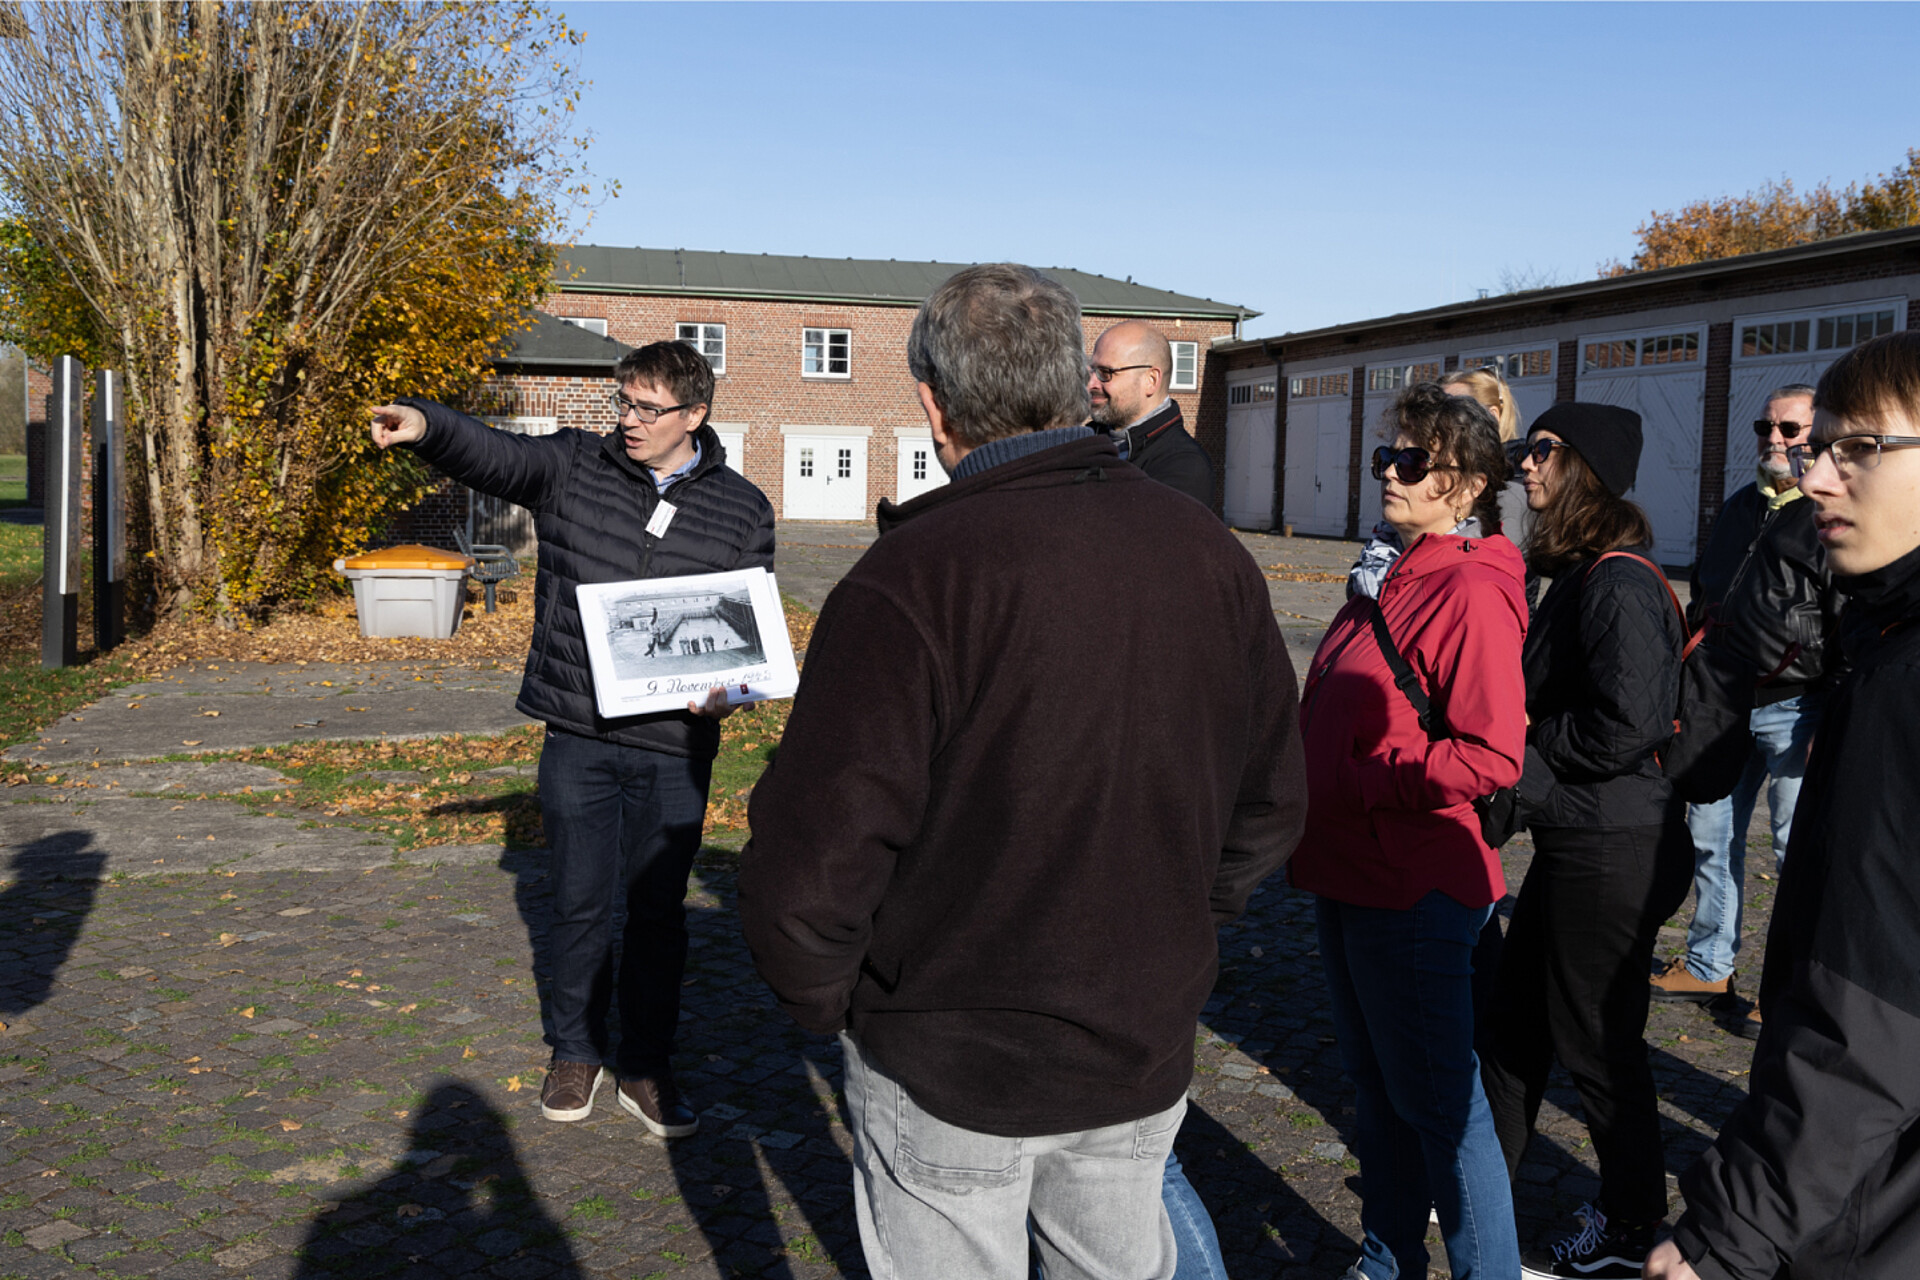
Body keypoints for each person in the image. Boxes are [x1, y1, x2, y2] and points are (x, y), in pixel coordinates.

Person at [737, 263, 1307, 1280]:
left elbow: (815, 852)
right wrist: (1181, 926)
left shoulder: (914, 575)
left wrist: (834, 1002)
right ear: (1073, 383)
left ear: (933, 404)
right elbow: (1271, 798)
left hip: (955, 1054)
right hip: (1123, 1035)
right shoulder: (1203, 549)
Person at [369, 341, 774, 1136]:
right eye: (625, 403)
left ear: (695, 415)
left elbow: (747, 625)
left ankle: (646, 1067)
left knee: (657, 915)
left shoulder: (743, 508)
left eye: (648, 409)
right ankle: (576, 1051)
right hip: (579, 731)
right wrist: (426, 424)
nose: (630, 420)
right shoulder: (573, 466)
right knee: (579, 904)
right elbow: (495, 455)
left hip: (675, 746)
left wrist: (734, 695)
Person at [1645, 331, 1920, 1279]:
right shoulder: (1885, 636)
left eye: (1861, 449)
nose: (1820, 478)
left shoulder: (1905, 681)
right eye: (1818, 448)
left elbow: (1874, 1010)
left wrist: (1727, 1234)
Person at [1295, 383, 1526, 1280]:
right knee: (1379, 1092)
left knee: (1442, 1107)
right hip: (1348, 870)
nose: (1389, 472)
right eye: (1385, 456)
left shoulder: (1465, 587)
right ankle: (1387, 1260)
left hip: (1414, 883)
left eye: (1412, 459)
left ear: (1465, 483)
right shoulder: (1386, 571)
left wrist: (1359, 782)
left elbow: (1491, 754)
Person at [1477, 403, 1692, 1280]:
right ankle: (1480, 1189)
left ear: (1585, 468)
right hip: (1581, 839)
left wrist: (1524, 745)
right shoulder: (1578, 572)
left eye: (1543, 450)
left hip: (1615, 846)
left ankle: (1633, 1224)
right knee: (1515, 1025)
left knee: (1598, 1044)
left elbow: (1630, 725)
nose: (1526, 463)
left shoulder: (1618, 582)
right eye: (1525, 448)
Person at [1652, 384, 1841, 1040]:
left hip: (1797, 705)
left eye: (1790, 429)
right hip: (1723, 704)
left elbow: (1847, 612)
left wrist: (1833, 707)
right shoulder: (1739, 505)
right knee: (1710, 836)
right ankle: (1709, 964)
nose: (1774, 440)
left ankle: (1785, 989)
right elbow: (1706, 586)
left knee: (1793, 850)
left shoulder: (1827, 510)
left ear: (1816, 437)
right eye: (1766, 427)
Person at [1087, 318, 1215, 508]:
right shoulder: (1085, 441)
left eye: (1106, 373)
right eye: (1091, 371)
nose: (1091, 384)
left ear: (1151, 380)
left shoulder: (1185, 466)